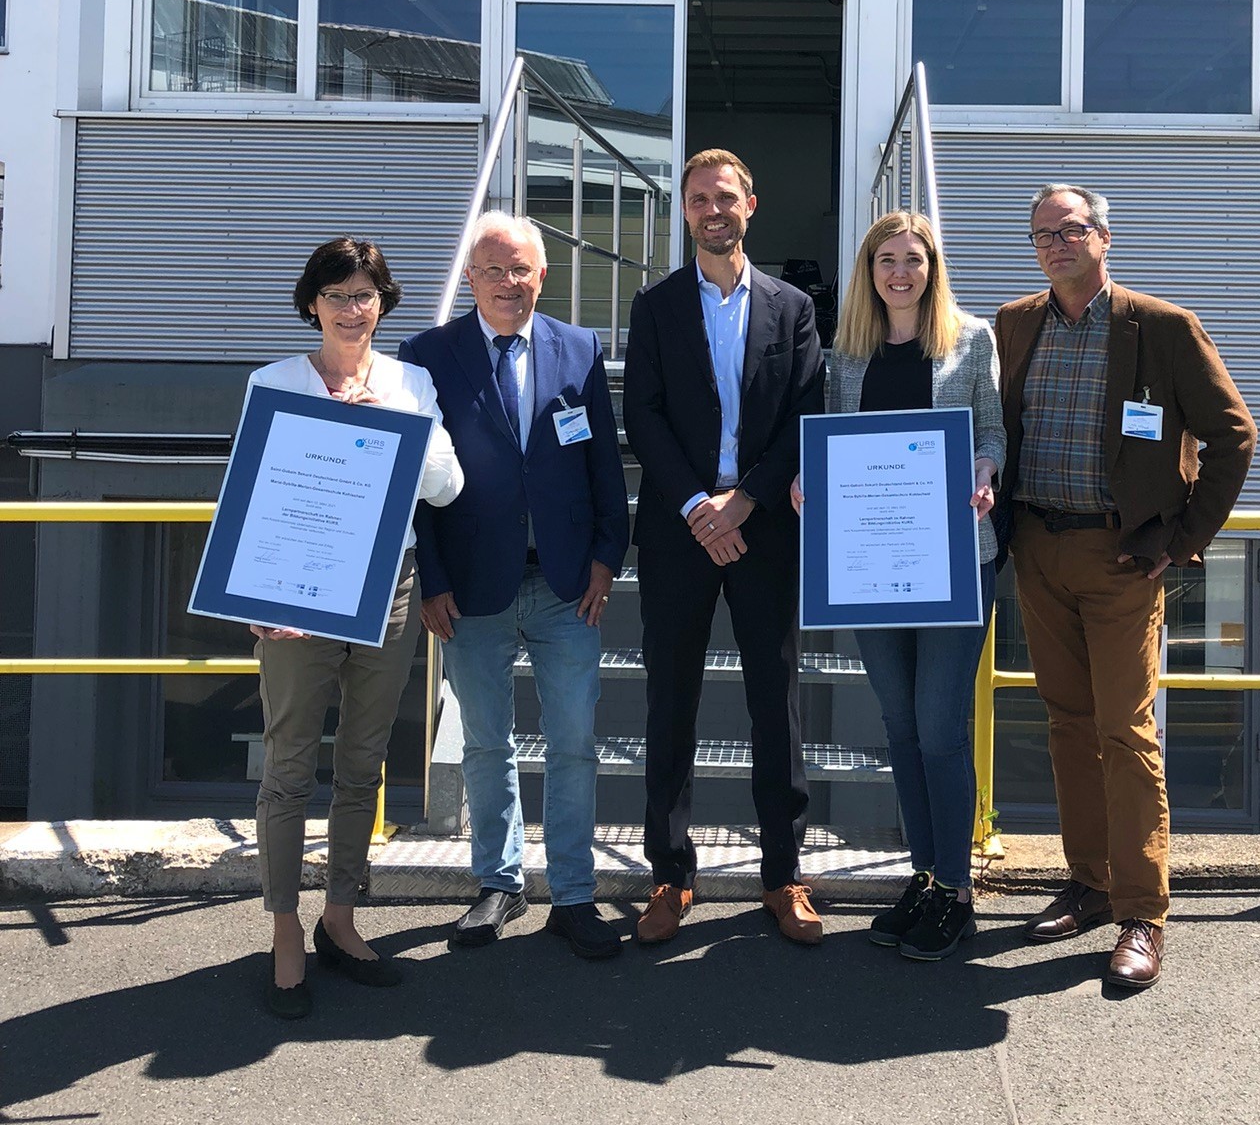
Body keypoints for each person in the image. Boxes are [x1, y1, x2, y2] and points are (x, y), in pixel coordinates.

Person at [997, 184, 1256, 988]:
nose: (1054, 245)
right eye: (1041, 234)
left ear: (1104, 237)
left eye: (1069, 231)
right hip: (1038, 546)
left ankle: (1142, 913)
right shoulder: (1013, 325)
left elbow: (1233, 435)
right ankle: (1086, 881)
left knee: (1125, 733)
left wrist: (1180, 542)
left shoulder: (1164, 328)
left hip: (1122, 559)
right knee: (1068, 727)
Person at [400, 212, 629, 960]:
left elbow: (602, 465)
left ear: (543, 275)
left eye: (522, 269)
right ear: (470, 277)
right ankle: (498, 883)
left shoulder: (579, 348)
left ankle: (573, 894)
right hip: (469, 588)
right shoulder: (425, 356)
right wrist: (431, 578)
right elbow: (414, 484)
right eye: (493, 269)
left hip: (568, 585)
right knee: (485, 745)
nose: (509, 283)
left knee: (573, 743)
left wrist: (606, 560)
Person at [253, 237, 464, 1019]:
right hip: (297, 593)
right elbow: (254, 496)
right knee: (289, 763)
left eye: (366, 294)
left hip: (390, 582)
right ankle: (283, 929)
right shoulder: (272, 382)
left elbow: (446, 487)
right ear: (312, 302)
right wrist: (259, 595)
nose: (353, 308)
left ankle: (339, 917)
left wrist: (397, 428)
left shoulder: (411, 382)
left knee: (364, 762)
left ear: (384, 303)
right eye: (338, 293)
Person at [623, 148, 826, 945]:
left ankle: (784, 875)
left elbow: (803, 415)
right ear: (684, 210)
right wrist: (697, 507)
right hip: (680, 531)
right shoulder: (655, 304)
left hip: (765, 526)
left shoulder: (793, 307)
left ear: (752, 204)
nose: (714, 209)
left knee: (775, 702)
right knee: (669, 702)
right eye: (699, 198)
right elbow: (643, 414)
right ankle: (670, 876)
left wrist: (743, 502)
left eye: (726, 197)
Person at [791, 211, 1004, 961]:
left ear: (932, 267)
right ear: (868, 270)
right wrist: (804, 481)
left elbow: (993, 431)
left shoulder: (971, 339)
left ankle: (958, 890)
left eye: (913, 259)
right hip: (869, 566)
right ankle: (924, 875)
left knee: (941, 726)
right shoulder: (844, 352)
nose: (899, 272)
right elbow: (826, 440)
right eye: (886, 259)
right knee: (903, 729)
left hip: (952, 562)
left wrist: (984, 469)